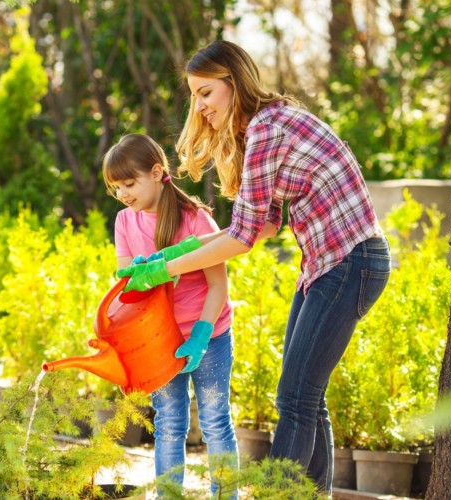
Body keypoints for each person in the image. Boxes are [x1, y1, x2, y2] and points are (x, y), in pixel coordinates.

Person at [116, 40, 391, 492]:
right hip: (325, 265)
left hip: (351, 262)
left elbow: (241, 239)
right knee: (308, 397)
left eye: (206, 93)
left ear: (233, 81)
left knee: (295, 397)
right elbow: (262, 225)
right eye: (194, 95)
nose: (199, 106)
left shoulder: (267, 127)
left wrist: (168, 269)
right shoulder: (264, 126)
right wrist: (171, 255)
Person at [102, 133, 239, 497]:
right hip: (160, 341)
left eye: (129, 183)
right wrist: (136, 275)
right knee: (168, 423)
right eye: (116, 188)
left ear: (157, 172)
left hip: (208, 335)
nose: (123, 194)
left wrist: (201, 334)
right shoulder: (124, 222)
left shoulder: (196, 219)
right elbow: (128, 290)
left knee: (214, 421)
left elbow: (218, 287)